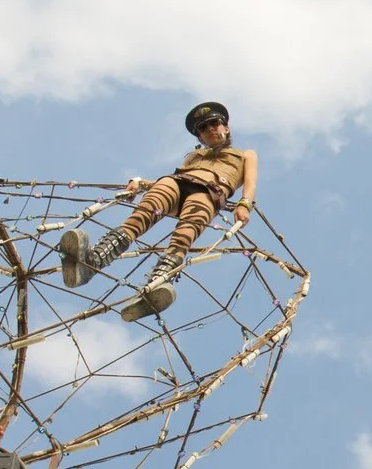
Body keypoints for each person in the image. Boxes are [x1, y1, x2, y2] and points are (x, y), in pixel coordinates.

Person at [58, 101, 258, 321]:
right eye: (203, 127)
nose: (210, 129)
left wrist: (244, 203)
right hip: (175, 182)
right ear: (200, 137)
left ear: (225, 127)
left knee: (185, 234)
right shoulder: (194, 156)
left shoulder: (245, 155)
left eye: (214, 123)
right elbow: (177, 177)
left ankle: (158, 284)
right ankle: (93, 261)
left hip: (210, 192)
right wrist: (141, 183)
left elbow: (250, 182)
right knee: (142, 214)